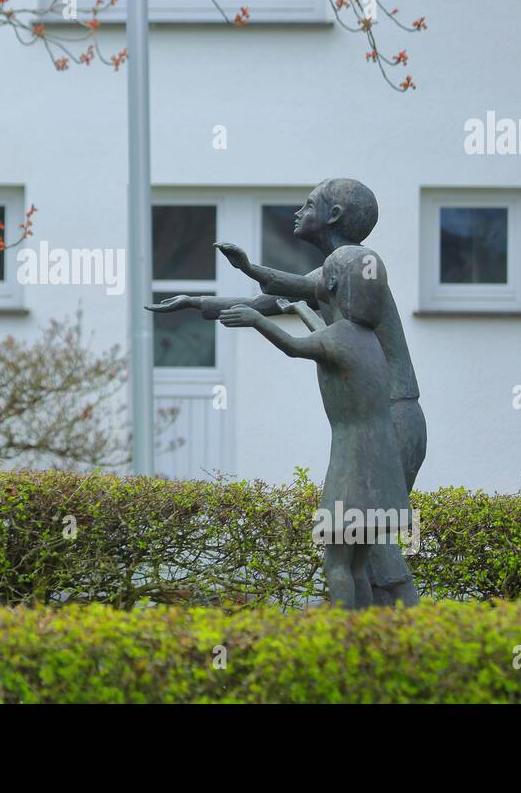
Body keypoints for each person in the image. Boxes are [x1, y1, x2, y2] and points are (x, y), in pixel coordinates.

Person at [147, 178, 424, 605]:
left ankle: (410, 630)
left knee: (371, 536)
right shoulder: (331, 277)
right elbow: (262, 301)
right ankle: (373, 637)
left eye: (308, 204)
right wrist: (193, 302)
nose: (297, 212)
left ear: (332, 216)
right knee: (361, 544)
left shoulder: (356, 274)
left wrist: (247, 272)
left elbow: (277, 296)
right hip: (376, 419)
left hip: (393, 416)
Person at [218, 246, 412, 610]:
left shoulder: (337, 339)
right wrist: (298, 309)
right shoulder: (366, 339)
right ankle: (366, 635)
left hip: (353, 463)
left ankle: (341, 640)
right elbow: (325, 337)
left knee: (336, 563)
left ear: (334, 283)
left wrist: (255, 319)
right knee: (356, 564)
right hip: (382, 470)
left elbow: (296, 347)